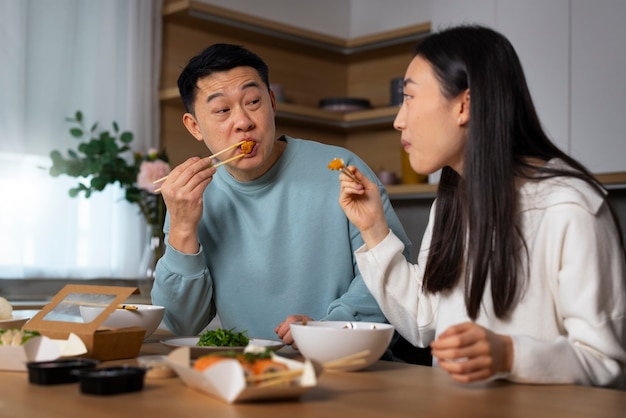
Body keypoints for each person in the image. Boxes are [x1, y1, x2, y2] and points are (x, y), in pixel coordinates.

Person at [337, 24, 626, 388]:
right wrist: (374, 228)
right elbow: (425, 322)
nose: (399, 120)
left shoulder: (571, 206)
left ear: (464, 105)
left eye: (409, 98)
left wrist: (509, 355)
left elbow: (606, 362)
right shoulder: (452, 201)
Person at [151, 43, 412, 349]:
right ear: (194, 126)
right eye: (222, 110)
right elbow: (182, 323)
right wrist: (182, 228)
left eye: (253, 101)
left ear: (272, 103)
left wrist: (327, 329)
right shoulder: (190, 197)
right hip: (251, 368)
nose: (243, 122)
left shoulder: (341, 169)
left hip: (349, 360)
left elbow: (394, 273)